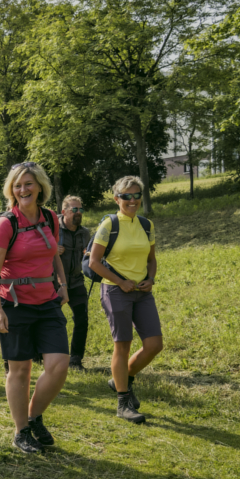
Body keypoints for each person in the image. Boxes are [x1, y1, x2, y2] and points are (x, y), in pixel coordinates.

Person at [0, 162, 70, 454]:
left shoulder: (50, 218)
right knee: (19, 370)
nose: (24, 190)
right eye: (18, 185)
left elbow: (53, 252)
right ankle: (21, 430)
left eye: (29, 184)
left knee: (58, 366)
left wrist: (62, 283)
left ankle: (33, 417)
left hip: (47, 302)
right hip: (15, 303)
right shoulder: (7, 223)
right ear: (12, 190)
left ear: (40, 187)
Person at [88, 176, 162, 425]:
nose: (132, 200)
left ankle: (122, 380)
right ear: (116, 198)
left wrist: (151, 278)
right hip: (116, 291)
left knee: (154, 344)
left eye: (136, 195)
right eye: (126, 196)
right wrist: (121, 282)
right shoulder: (109, 224)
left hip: (143, 292)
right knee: (123, 345)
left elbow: (151, 259)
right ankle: (123, 402)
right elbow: (94, 263)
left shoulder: (146, 224)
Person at [57, 196, 92, 371]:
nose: (79, 213)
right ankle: (40, 354)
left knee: (82, 320)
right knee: (50, 320)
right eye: (74, 210)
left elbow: (91, 254)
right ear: (64, 212)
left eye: (81, 210)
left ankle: (75, 360)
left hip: (77, 282)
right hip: (54, 283)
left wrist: (90, 255)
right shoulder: (52, 229)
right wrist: (52, 250)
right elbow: (37, 249)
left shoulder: (85, 233)